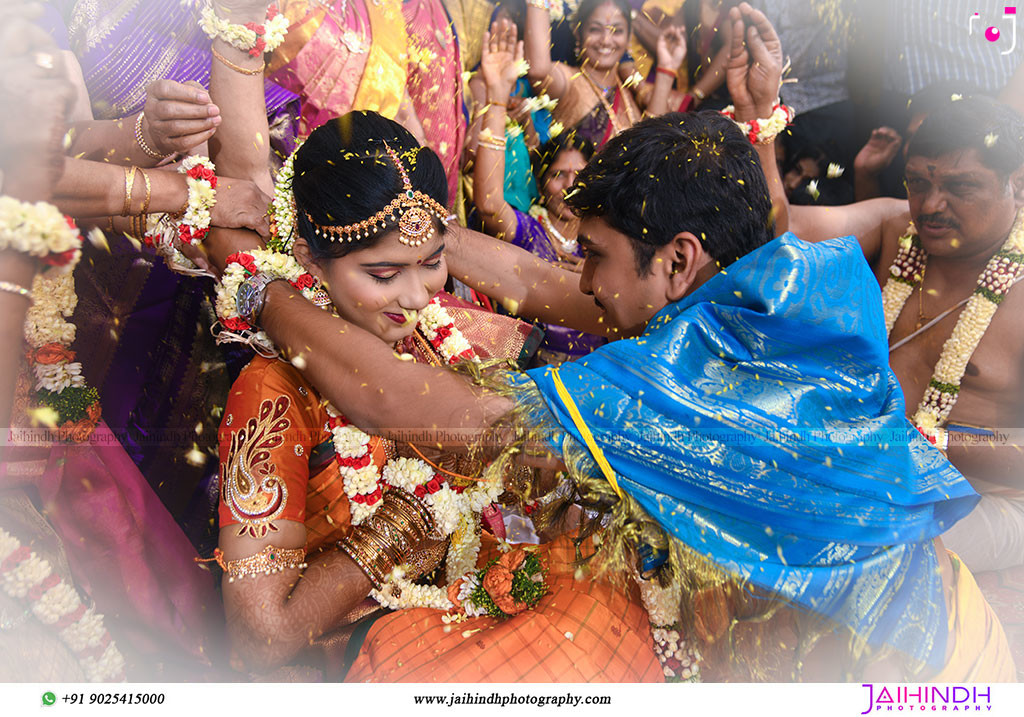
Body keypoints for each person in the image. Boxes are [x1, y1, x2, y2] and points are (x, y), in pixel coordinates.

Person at [205, 3, 1014, 681]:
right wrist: (410, 234)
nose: (579, 281)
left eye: (592, 254)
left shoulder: (658, 384)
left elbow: (430, 407)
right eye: (392, 273)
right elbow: (538, 281)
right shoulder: (800, 279)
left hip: (900, 671)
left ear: (677, 258)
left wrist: (260, 286)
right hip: (949, 621)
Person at [214, 112, 661, 682]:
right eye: (383, 274)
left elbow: (533, 289)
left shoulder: (438, 323)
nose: (414, 294)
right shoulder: (271, 391)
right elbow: (262, 636)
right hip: (370, 645)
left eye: (431, 264)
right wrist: (397, 530)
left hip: (478, 594)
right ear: (308, 257)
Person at [473, 20, 607, 363]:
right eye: (559, 174)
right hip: (532, 375)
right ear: (542, 183)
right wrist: (498, 101)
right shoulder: (529, 233)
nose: (570, 185)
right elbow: (489, 205)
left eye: (580, 175)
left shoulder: (605, 244)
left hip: (596, 379)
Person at [523, 0, 686, 148]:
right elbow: (538, 71)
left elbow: (654, 143)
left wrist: (667, 67)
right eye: (595, 29)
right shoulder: (568, 81)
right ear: (578, 34)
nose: (606, 40)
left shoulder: (628, 90)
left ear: (629, 37)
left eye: (617, 31)